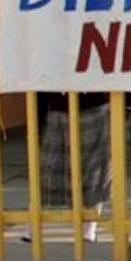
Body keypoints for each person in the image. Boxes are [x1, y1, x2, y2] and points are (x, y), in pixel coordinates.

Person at [39, 92, 110, 241]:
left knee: (95, 170)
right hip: (60, 106)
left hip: (92, 104)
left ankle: (90, 228)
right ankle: (34, 224)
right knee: (50, 169)